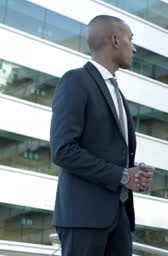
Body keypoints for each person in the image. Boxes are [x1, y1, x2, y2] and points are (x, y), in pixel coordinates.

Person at [50, 15, 154, 255]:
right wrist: (122, 175)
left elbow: (107, 152)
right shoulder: (75, 81)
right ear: (115, 40)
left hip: (119, 217)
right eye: (131, 39)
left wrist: (135, 172)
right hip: (83, 218)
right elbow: (63, 150)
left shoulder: (118, 93)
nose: (134, 48)